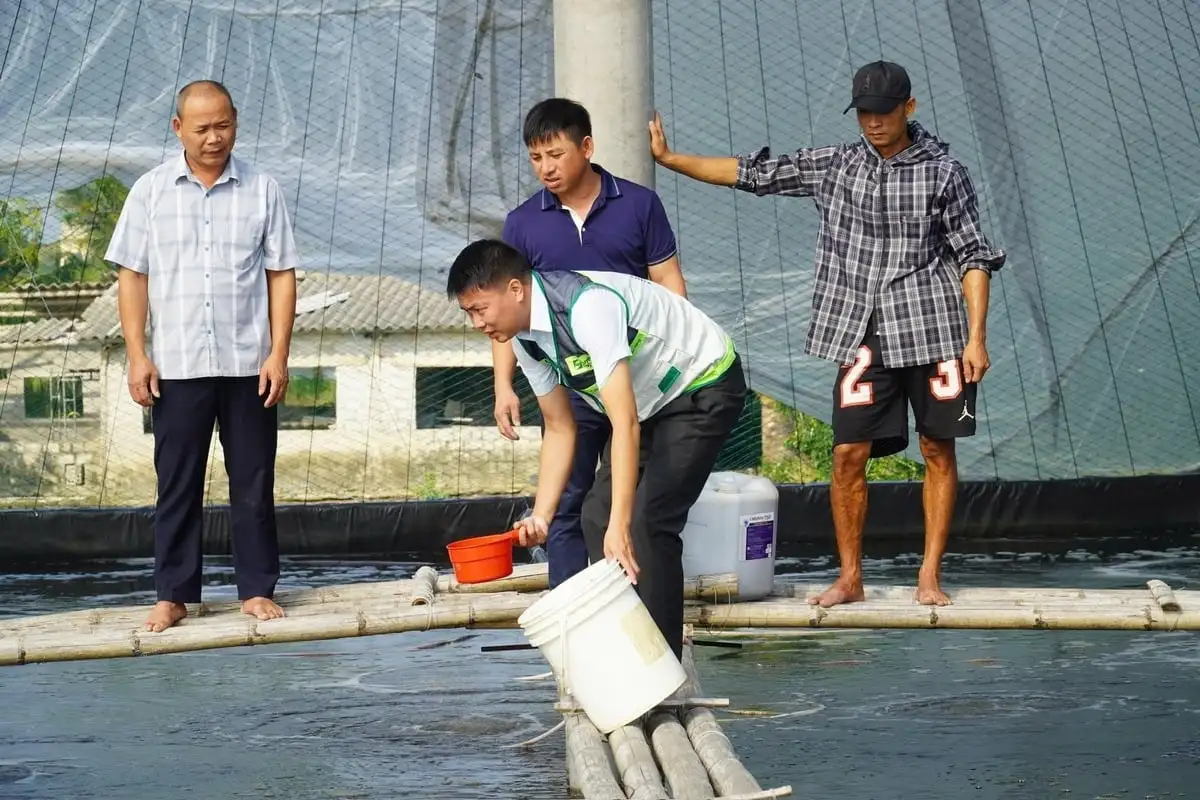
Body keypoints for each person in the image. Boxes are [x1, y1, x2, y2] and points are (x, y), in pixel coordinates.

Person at [648, 60, 1006, 608]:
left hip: (934, 329)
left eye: (883, 112)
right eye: (864, 112)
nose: (873, 122)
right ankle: (850, 577)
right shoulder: (836, 164)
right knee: (846, 454)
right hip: (862, 333)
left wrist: (975, 337)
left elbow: (973, 255)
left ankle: (929, 575)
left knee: (937, 447)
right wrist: (672, 160)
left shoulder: (944, 172)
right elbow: (754, 173)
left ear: (908, 108)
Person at [447, 239, 746, 661]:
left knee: (645, 524)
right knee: (595, 516)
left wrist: (621, 525)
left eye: (480, 309)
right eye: (469, 314)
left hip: (702, 382)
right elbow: (559, 427)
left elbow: (622, 423)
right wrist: (543, 514)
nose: (477, 324)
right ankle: (623, 646)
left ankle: (659, 670)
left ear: (516, 289)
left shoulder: (587, 308)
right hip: (651, 404)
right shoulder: (523, 340)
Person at [105, 79, 300, 632]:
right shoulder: (149, 191)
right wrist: (137, 354)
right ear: (178, 130)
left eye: (224, 126)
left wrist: (278, 354)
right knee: (177, 483)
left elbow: (281, 274)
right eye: (201, 129)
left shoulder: (263, 189)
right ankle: (173, 594)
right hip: (176, 366)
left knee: (254, 482)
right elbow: (132, 275)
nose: (214, 138)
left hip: (249, 364)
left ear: (236, 121)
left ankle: (257, 590)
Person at [495, 97, 687, 590]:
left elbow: (668, 281)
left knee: (639, 505)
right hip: (573, 383)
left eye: (556, 155)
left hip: (639, 379)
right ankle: (572, 617)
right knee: (565, 503)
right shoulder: (521, 223)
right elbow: (505, 311)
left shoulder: (640, 204)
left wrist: (679, 359)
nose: (546, 168)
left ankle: (641, 605)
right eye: (536, 158)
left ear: (587, 146)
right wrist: (504, 384)